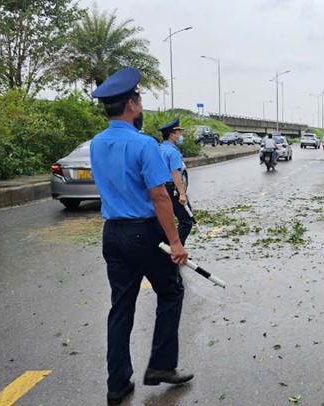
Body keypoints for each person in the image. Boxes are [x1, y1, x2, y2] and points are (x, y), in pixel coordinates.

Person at [89, 67, 194, 406]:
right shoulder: (144, 144)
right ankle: (161, 366)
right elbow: (161, 197)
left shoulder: (97, 143)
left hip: (112, 234)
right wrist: (175, 243)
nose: (141, 104)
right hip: (143, 233)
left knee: (121, 307)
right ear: (132, 105)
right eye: (139, 98)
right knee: (171, 290)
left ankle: (117, 383)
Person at [159, 118, 194, 245]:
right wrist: (182, 194)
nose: (181, 136)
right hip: (172, 189)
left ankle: (167, 249)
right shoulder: (173, 152)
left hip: (160, 189)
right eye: (179, 133)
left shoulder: (160, 149)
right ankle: (176, 248)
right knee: (186, 220)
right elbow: (175, 173)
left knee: (164, 222)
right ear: (172, 135)